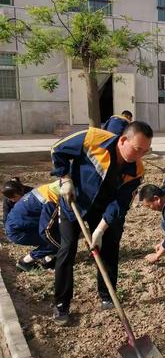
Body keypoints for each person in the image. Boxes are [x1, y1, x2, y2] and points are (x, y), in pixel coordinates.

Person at [50, 121, 153, 325]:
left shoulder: (136, 170)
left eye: (145, 151)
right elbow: (58, 149)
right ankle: (61, 304)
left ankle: (107, 296)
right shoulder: (93, 139)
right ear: (123, 140)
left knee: (110, 247)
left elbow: (120, 205)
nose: (140, 155)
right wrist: (65, 177)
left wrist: (100, 229)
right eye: (137, 149)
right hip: (75, 203)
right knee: (67, 248)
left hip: (104, 209)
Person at [5, 181, 60, 271]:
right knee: (55, 240)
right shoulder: (50, 199)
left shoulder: (45, 189)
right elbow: (47, 231)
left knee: (55, 236)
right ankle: (25, 262)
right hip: (18, 231)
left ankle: (48, 260)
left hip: (18, 225)